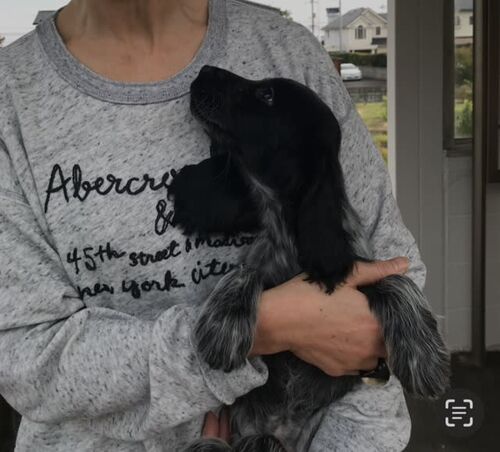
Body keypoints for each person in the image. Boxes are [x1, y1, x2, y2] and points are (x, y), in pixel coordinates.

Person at [0, 0, 425, 450]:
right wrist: (263, 329)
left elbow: (389, 293)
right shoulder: (12, 94)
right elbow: (26, 358)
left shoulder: (287, 51)